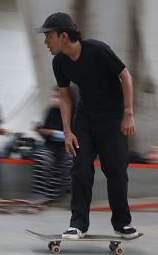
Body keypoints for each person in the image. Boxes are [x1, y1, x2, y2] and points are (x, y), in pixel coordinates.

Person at [35, 12, 139, 240]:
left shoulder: (98, 50)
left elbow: (126, 76)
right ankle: (78, 224)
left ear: (64, 36)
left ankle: (122, 224)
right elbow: (64, 96)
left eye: (49, 36)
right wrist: (68, 131)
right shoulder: (59, 62)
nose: (45, 42)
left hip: (113, 118)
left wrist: (128, 114)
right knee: (80, 169)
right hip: (86, 118)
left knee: (116, 170)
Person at [30, 88, 73, 202]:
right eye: (54, 97)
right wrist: (40, 130)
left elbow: (74, 135)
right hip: (51, 147)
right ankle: (41, 193)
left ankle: (67, 194)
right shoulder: (51, 111)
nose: (55, 100)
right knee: (42, 157)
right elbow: (46, 134)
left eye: (59, 97)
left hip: (67, 148)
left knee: (70, 161)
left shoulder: (73, 113)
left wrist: (53, 133)